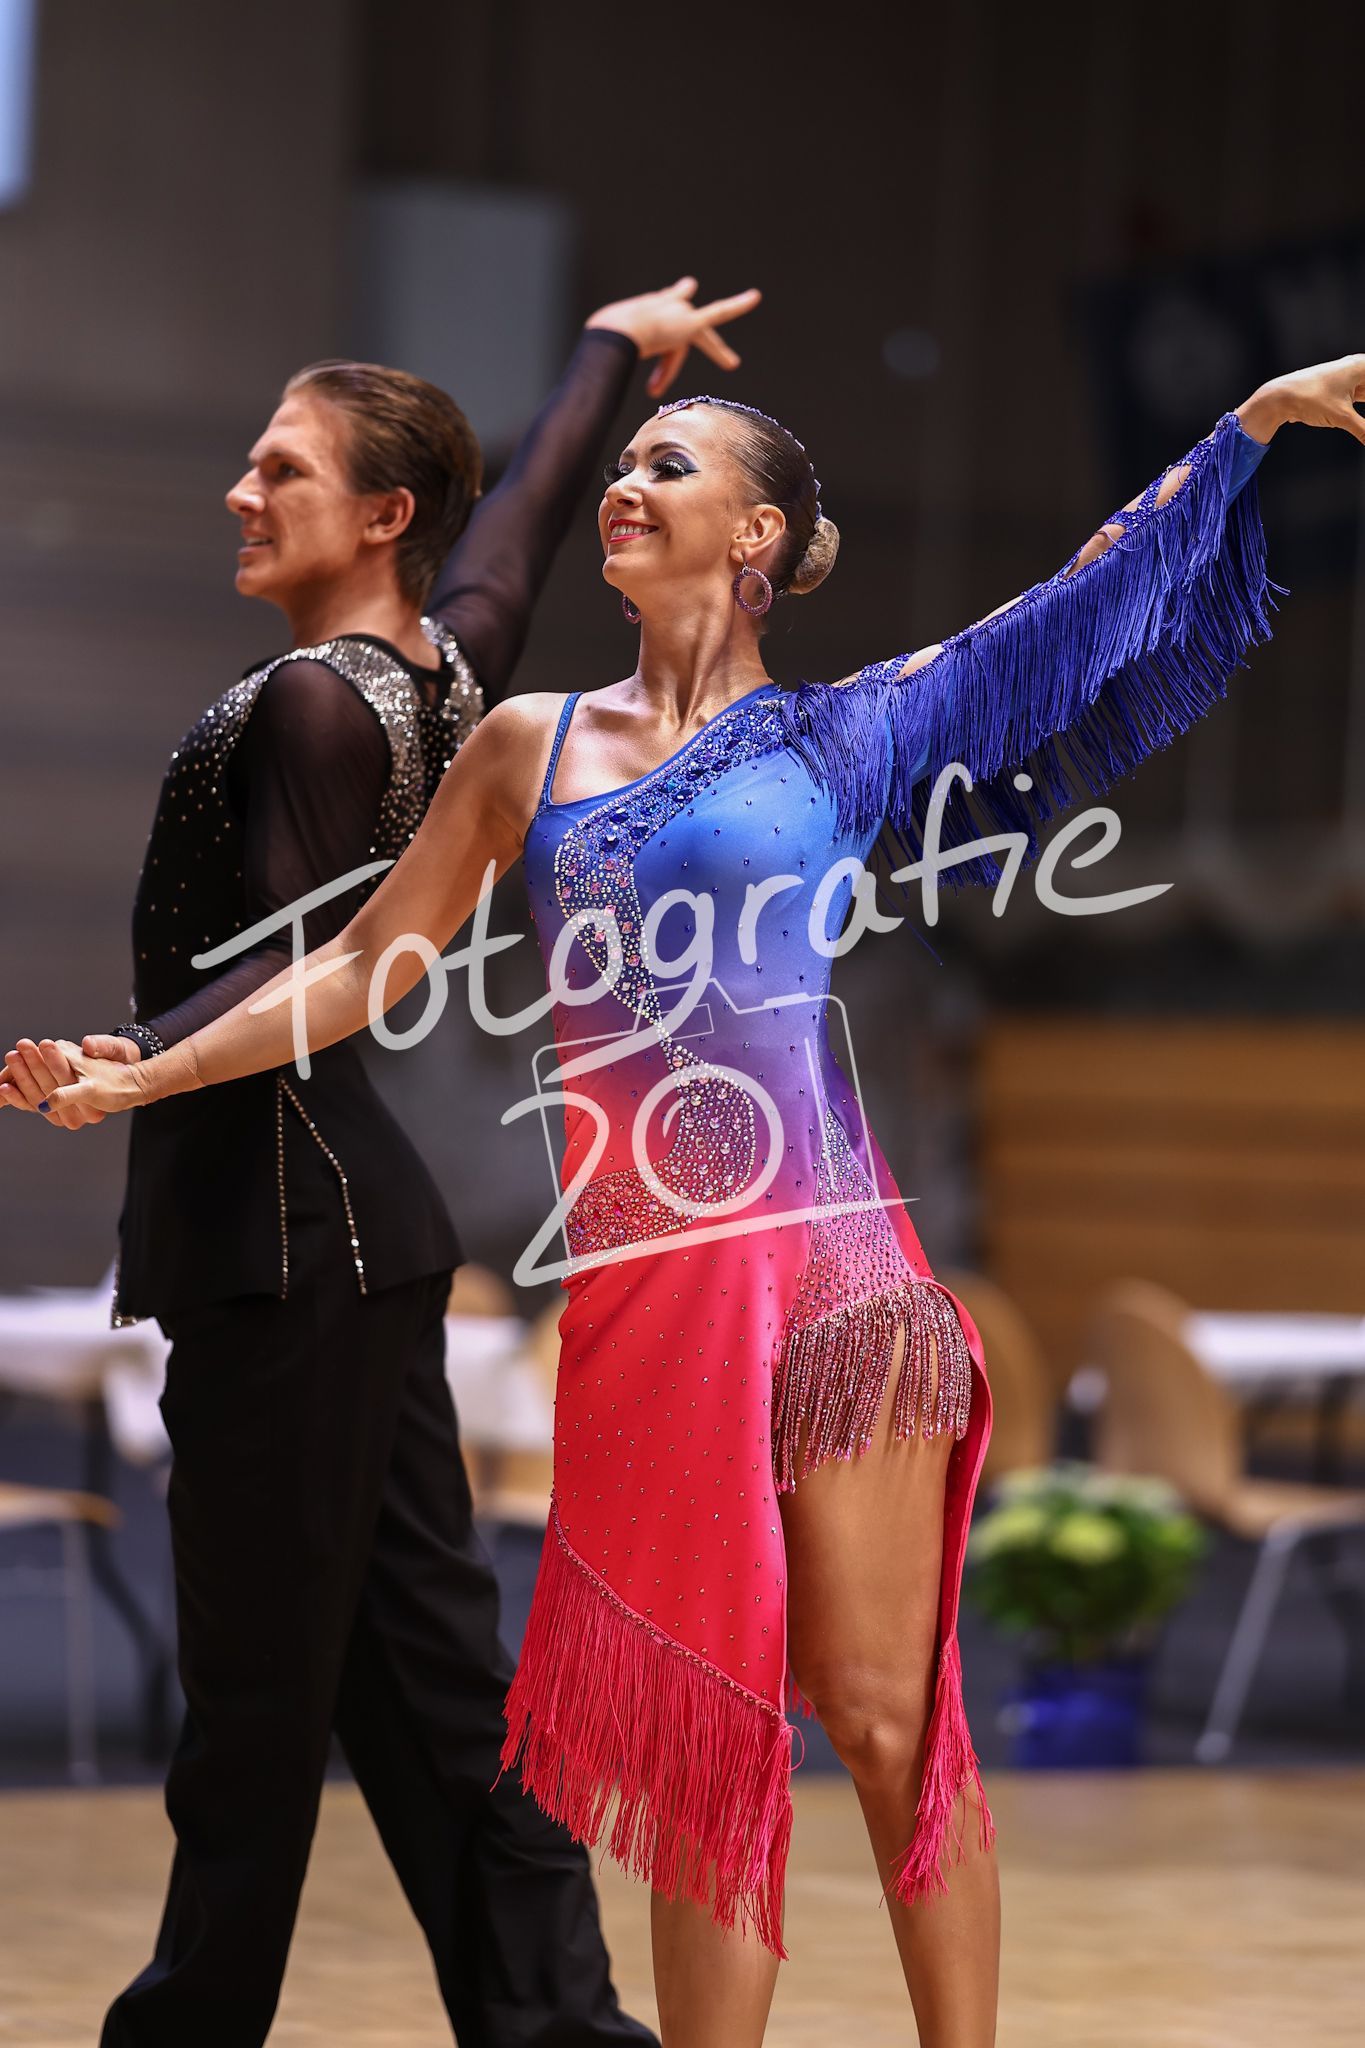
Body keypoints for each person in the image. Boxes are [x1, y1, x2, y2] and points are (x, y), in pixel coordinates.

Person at [11, 353, 1364, 2048]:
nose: (626, 488)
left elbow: (1068, 613)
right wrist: (153, 1066)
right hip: (655, 1296)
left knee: (881, 1718)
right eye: (623, 465)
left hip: (841, 1281)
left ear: (757, 535)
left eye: (667, 465)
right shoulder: (526, 746)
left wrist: (1246, 429)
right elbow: (359, 962)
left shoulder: (848, 735)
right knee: (704, 1743)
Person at [1, 274, 762, 2048]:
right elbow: (518, 534)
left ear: (379, 514)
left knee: (257, 1711)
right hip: (346, 1240)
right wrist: (611, 348)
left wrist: (133, 1067)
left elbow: (312, 968)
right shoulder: (444, 669)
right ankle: (558, 2027)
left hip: (284, 1245)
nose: (241, 490)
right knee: (428, 1689)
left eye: (282, 468)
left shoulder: (309, 705)